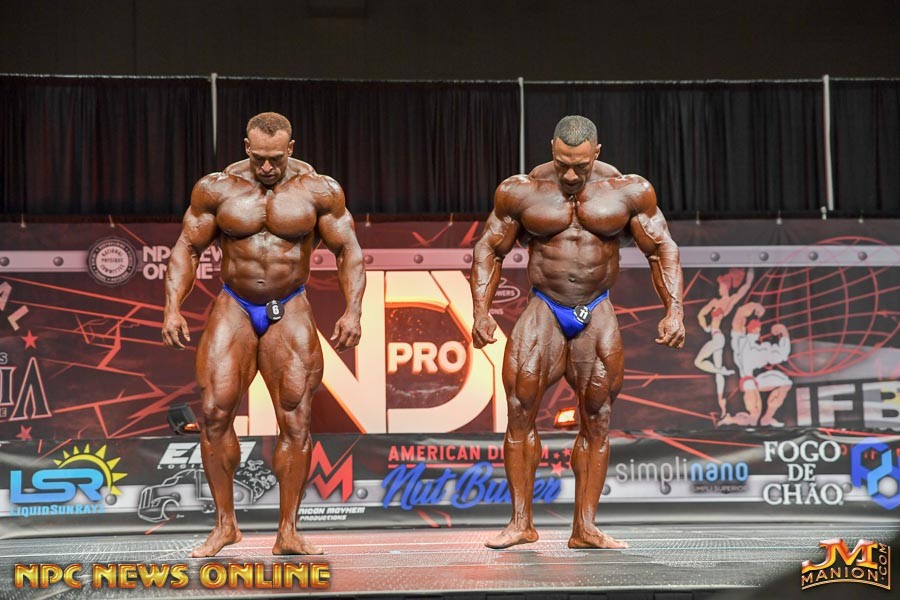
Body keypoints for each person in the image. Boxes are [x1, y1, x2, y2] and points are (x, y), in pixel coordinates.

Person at [471, 115, 685, 550]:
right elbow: (489, 248)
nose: (571, 175)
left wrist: (674, 310)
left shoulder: (628, 191)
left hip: (596, 308)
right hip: (544, 307)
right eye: (563, 164)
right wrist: (480, 310)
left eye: (581, 166)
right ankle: (520, 524)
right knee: (520, 407)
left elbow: (661, 248)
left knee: (598, 416)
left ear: (596, 153)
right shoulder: (521, 191)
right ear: (552, 149)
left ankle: (585, 528)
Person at [161, 112, 365, 557]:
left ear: (290, 148)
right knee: (214, 412)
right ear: (246, 148)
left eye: (275, 158)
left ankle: (288, 532)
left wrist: (353, 310)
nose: (267, 167)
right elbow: (188, 247)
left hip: (289, 305)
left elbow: (348, 250)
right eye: (259, 158)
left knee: (295, 419)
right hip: (234, 303)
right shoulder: (217, 188)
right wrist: (172, 307)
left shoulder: (319, 190)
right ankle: (225, 526)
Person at [718, 302, 791, 427]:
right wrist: (753, 306)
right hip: (748, 382)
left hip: (757, 380)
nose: (756, 331)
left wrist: (784, 333)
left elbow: (780, 354)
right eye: (754, 329)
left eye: (757, 330)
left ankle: (768, 417)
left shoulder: (761, 349)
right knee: (753, 418)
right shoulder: (741, 342)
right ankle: (729, 419)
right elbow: (738, 320)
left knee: (785, 382)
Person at [694, 267, 754, 418]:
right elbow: (700, 315)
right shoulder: (716, 301)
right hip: (716, 336)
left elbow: (746, 287)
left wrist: (751, 269)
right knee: (718, 376)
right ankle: (722, 407)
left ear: (726, 287)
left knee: (698, 362)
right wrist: (705, 327)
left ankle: (723, 371)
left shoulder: (729, 301)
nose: (719, 289)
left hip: (718, 338)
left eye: (721, 286)